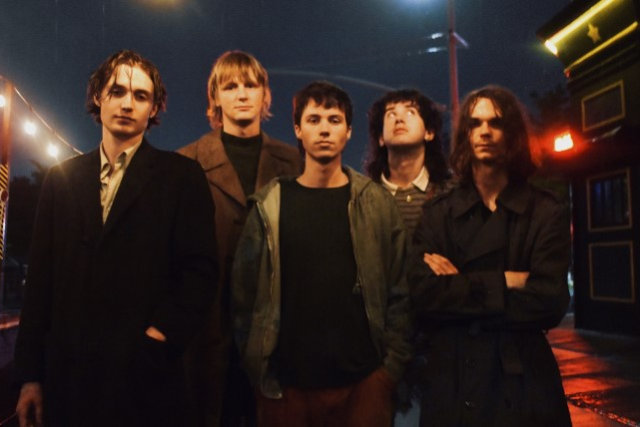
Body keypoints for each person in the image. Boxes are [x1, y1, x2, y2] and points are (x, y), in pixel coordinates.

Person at [13, 50, 218, 427]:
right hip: (68, 381)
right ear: (98, 96)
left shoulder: (181, 176)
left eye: (140, 95)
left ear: (154, 107)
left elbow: (200, 273)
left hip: (143, 383)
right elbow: (40, 283)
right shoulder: (61, 179)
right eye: (117, 91)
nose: (127, 103)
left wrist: (159, 337)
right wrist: (29, 376)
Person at [231, 81, 412, 427]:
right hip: (286, 390)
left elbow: (400, 292)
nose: (325, 129)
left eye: (334, 119)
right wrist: (258, 371)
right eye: (314, 120)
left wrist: (387, 373)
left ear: (348, 131)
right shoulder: (269, 205)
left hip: (364, 385)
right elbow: (243, 299)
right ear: (298, 130)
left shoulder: (375, 203)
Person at [409, 85, 571, 426]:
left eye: (495, 123)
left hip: (522, 381)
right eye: (475, 123)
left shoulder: (544, 211)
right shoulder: (439, 213)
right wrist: (505, 281)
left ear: (512, 134)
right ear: (465, 135)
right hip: (454, 381)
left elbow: (549, 301)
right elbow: (423, 295)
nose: (484, 131)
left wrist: (459, 287)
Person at [178, 50, 301, 427]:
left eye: (251, 85)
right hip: (209, 327)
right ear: (215, 97)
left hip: (277, 327)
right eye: (230, 86)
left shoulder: (294, 162)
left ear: (266, 94)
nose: (242, 94)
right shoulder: (188, 162)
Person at [366, 89, 451, 236]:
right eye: (391, 114)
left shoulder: (451, 192)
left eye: (410, 112)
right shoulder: (365, 197)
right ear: (381, 138)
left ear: (429, 133)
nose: (399, 119)